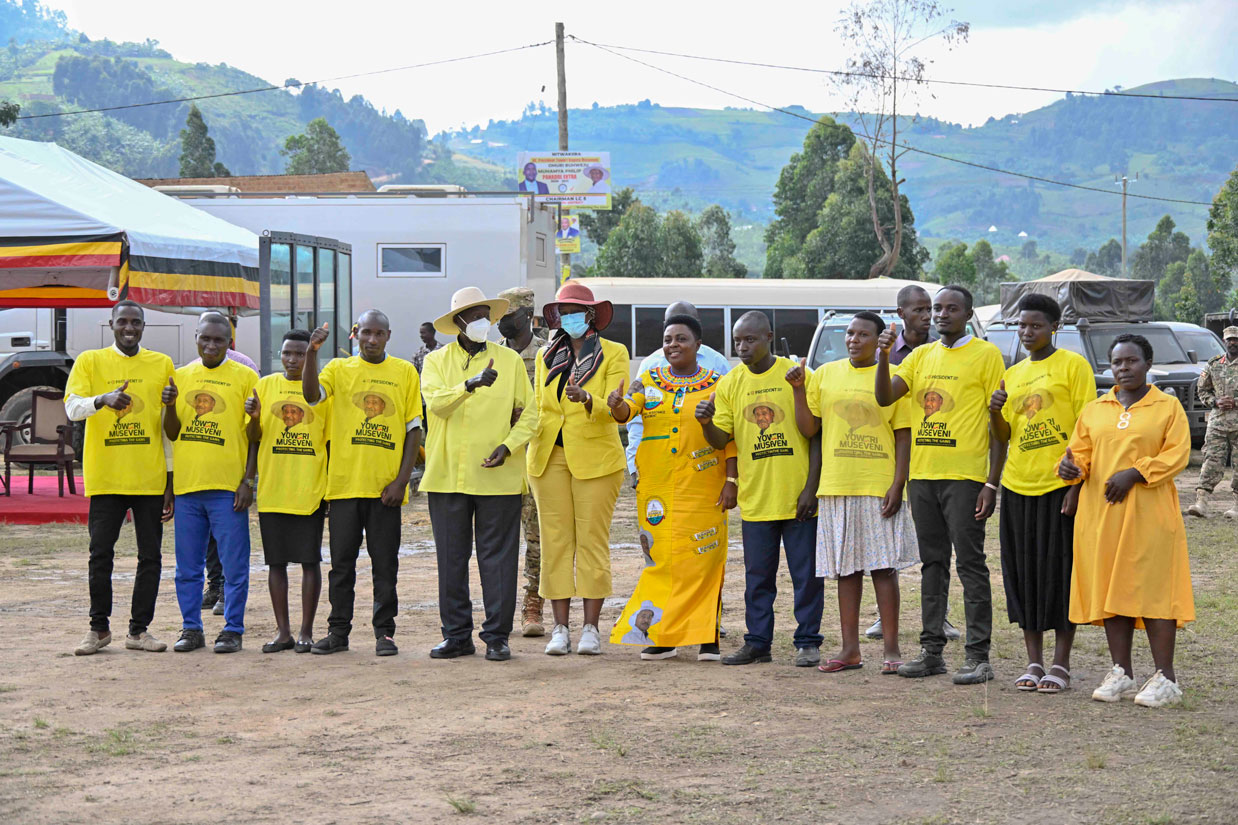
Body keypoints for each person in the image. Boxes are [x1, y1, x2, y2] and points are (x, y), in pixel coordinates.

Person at [875, 284, 1006, 684]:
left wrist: (991, 483)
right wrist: (884, 357)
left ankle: (978, 656)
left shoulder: (986, 355)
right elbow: (885, 397)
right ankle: (932, 652)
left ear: (968, 315)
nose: (941, 315)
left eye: (951, 309)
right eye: (937, 308)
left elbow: (998, 427)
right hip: (923, 477)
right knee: (932, 564)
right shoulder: (920, 356)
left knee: (970, 564)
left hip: (965, 478)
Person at [1058, 334, 1194, 707]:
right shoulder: (1095, 409)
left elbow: (1178, 454)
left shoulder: (1167, 407)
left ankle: (1166, 678)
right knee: (1112, 588)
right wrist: (1070, 468)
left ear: (1147, 364)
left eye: (1131, 361)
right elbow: (1079, 453)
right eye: (1117, 362)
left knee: (1154, 590)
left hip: (1149, 513)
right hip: (1102, 514)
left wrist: (1135, 473)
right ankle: (1122, 672)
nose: (1124, 368)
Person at [788, 311, 917, 675]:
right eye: (849, 333)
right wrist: (798, 390)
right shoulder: (825, 374)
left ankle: (891, 649)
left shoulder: (893, 378)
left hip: (877, 485)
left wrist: (898, 483)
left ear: (879, 341)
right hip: (837, 485)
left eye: (863, 334)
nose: (853, 340)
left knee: (883, 569)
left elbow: (903, 435)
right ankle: (850, 650)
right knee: (846, 570)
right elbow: (809, 428)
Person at [698, 311, 824, 667]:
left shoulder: (796, 375)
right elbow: (722, 439)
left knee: (806, 577)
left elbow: (815, 434)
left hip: (798, 496)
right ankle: (757, 643)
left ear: (769, 337)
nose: (743, 347)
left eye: (750, 339)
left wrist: (811, 488)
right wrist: (706, 423)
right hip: (756, 497)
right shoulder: (731, 383)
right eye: (737, 341)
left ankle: (808, 642)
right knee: (757, 579)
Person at [608, 314, 737, 661]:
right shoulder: (648, 379)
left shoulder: (718, 384)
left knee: (705, 561)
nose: (673, 345)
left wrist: (731, 481)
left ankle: (708, 636)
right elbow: (626, 412)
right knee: (662, 561)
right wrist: (617, 405)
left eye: (681, 339)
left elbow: (730, 437)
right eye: (667, 340)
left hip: (703, 485)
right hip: (656, 489)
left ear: (698, 345)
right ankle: (664, 635)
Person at [421, 287, 537, 662]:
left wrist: (509, 446)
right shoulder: (435, 361)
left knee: (498, 560)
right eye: (473, 317)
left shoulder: (510, 361)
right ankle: (456, 636)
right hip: (447, 476)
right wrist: (470, 384)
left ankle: (497, 637)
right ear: (457, 322)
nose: (482, 322)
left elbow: (531, 414)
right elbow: (436, 405)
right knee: (451, 559)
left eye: (486, 315)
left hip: (497, 476)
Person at [988, 294, 1095, 693]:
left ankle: (1060, 663)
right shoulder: (1012, 374)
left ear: (1054, 327)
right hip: (1017, 485)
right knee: (1023, 574)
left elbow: (1088, 427)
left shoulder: (1073, 365)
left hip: (1058, 486)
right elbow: (1003, 436)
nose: (1027, 331)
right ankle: (1033, 661)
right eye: (1021, 325)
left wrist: (1077, 486)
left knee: (1059, 573)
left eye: (1036, 325)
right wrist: (995, 411)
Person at [303, 310, 423, 657]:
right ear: (355, 333)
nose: (372, 339)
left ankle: (385, 633)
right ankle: (338, 632)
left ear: (388, 336)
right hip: (344, 488)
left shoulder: (404, 371)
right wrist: (311, 352)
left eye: (378, 333)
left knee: (385, 565)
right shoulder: (338, 369)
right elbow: (311, 396)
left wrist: (401, 482)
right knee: (341, 566)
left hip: (385, 491)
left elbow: (413, 429)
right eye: (366, 332)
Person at [65, 300, 175, 655]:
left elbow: (164, 427)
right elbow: (72, 407)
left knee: (151, 557)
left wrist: (170, 480)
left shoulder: (161, 363)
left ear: (143, 326)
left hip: (148, 478)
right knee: (100, 555)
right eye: (123, 321)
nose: (129, 328)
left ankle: (139, 631)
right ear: (111, 324)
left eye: (136, 322)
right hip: (107, 477)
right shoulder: (90, 361)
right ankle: (98, 629)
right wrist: (102, 399)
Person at [526, 282, 628, 656]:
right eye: (563, 311)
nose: (569, 317)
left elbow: (617, 409)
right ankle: (559, 629)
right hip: (548, 456)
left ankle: (590, 629)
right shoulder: (546, 355)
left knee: (591, 542)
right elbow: (541, 407)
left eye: (575, 311)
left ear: (591, 315)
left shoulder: (614, 353)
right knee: (555, 542)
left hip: (597, 459)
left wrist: (589, 399)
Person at [866, 285, 961, 642]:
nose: (927, 316)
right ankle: (884, 615)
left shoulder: (943, 350)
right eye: (919, 309)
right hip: (888, 458)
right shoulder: (886, 351)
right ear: (900, 313)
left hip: (931, 458)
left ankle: (940, 615)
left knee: (937, 545)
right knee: (887, 540)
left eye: (929, 309)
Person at [164, 313, 259, 654]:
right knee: (187, 568)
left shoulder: (246, 377)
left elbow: (255, 436)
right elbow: (172, 432)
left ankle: (233, 630)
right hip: (189, 488)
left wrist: (248, 481)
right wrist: (170, 405)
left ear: (229, 342)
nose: (211, 345)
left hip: (228, 490)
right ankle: (192, 628)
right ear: (196, 337)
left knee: (234, 565)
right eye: (205, 338)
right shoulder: (181, 376)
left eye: (219, 339)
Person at [246, 329, 329, 654]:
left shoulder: (321, 392)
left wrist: (328, 491)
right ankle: (283, 633)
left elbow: (329, 441)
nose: (293, 359)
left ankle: (306, 631)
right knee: (276, 563)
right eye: (287, 353)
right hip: (273, 490)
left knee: (310, 562)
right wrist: (254, 418)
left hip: (309, 491)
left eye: (300, 353)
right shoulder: (265, 386)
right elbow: (254, 438)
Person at [625, 302, 731, 486]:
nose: (675, 343)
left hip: (705, 468)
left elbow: (729, 422)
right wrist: (633, 464)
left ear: (697, 326)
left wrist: (731, 477)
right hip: (660, 466)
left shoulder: (717, 363)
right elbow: (636, 420)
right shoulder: (650, 365)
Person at [496, 286, 550, 636]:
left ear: (528, 315)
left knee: (537, 536)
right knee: (498, 538)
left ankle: (534, 603)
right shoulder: (492, 355)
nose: (502, 323)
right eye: (499, 317)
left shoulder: (548, 354)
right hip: (500, 458)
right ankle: (499, 606)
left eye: (509, 316)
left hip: (537, 458)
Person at [1187, 325, 1238, 519]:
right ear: (1224, 341)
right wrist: (1215, 402)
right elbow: (1202, 390)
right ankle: (1201, 502)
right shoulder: (1213, 364)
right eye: (1229, 339)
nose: (1233, 343)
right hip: (1218, 423)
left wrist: (1235, 402)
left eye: (1236, 339)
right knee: (1211, 460)